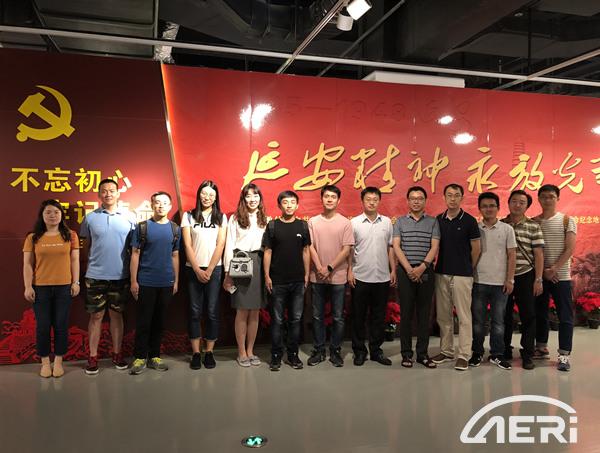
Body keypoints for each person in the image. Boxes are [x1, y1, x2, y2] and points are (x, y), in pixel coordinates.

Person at [79, 178, 136, 375]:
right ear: (99, 194)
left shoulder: (130, 217)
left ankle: (117, 354)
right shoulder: (90, 218)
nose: (108, 194)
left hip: (121, 275)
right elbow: (85, 246)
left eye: (112, 190)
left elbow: (134, 249)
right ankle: (92, 357)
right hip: (95, 275)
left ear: (118, 193)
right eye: (104, 191)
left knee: (116, 315)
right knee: (95, 316)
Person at [23, 199, 80, 378]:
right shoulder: (33, 237)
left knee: (61, 325)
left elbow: (75, 260)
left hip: (64, 287)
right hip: (41, 288)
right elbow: (27, 264)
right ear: (42, 215)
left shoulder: (70, 235)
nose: (52, 215)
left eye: (56, 212)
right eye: (48, 212)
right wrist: (27, 286)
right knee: (43, 326)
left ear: (61, 215)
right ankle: (45, 363)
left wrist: (76, 282)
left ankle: (58, 362)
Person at [129, 191, 180, 375]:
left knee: (160, 321)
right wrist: (133, 281)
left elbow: (175, 255)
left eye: (164, 203)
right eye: (157, 202)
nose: (160, 206)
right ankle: (140, 357)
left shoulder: (175, 229)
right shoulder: (142, 227)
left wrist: (176, 280)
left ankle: (155, 356)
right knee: (144, 321)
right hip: (146, 281)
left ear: (170, 206)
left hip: (166, 282)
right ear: (152, 205)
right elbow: (135, 254)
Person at [431, 183, 481, 371]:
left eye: (456, 195)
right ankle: (446, 351)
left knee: (464, 316)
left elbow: (476, 249)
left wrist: (468, 267)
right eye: (449, 195)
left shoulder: (469, 221)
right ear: (444, 197)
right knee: (443, 315)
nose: (453, 199)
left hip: (463, 275)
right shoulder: (438, 220)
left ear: (462, 198)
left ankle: (464, 355)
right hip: (441, 272)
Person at [263, 190, 311, 371]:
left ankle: (293, 355)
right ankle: (276, 356)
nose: (289, 205)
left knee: (295, 319)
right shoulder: (273, 226)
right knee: (277, 321)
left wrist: (306, 274)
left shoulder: (303, 226)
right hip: (277, 281)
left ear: (297, 205)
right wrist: (267, 275)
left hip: (298, 281)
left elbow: (306, 251)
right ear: (279, 205)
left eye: (292, 202)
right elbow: (268, 251)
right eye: (285, 202)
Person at [181, 181, 227, 370]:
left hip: (214, 270)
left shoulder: (221, 217)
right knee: (194, 311)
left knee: (212, 310)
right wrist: (197, 269)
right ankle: (196, 353)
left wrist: (209, 270)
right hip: (193, 269)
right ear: (199, 194)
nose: (207, 197)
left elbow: (220, 244)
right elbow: (187, 245)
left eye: (211, 195)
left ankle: (209, 352)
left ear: (216, 198)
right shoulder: (188, 216)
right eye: (204, 193)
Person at [392, 186, 439, 369]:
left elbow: (434, 247)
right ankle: (406, 354)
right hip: (405, 272)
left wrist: (421, 268)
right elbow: (396, 246)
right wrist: (409, 269)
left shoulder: (433, 222)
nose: (416, 201)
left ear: (425, 201)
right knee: (406, 314)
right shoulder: (400, 222)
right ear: (408, 201)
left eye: (420, 198)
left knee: (424, 314)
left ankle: (422, 354)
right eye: (413, 198)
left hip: (425, 270)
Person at [307, 185, 354, 367]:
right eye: (326, 196)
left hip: (338, 276)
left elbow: (347, 249)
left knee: (338, 317)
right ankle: (319, 350)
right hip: (317, 275)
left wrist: (329, 267)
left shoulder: (345, 223)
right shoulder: (313, 222)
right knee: (317, 316)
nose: (329, 199)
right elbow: (310, 246)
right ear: (322, 199)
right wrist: (320, 267)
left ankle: (335, 351)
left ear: (338, 200)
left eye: (333, 197)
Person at [349, 187, 396, 367]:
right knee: (358, 317)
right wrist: (349, 271)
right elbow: (350, 249)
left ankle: (376, 350)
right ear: (362, 201)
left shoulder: (387, 222)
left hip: (382, 277)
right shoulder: (354, 223)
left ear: (379, 201)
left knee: (378, 317)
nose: (372, 202)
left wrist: (393, 270)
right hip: (360, 276)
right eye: (368, 199)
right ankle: (359, 351)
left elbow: (390, 248)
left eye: (375, 199)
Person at [223, 183, 268, 367]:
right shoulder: (235, 218)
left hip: (259, 262)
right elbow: (229, 245)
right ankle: (241, 352)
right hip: (240, 262)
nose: (252, 199)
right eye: (248, 196)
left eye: (255, 196)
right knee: (242, 310)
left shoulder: (265, 218)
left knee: (255, 311)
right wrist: (228, 272)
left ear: (260, 198)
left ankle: (251, 351)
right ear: (243, 199)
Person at [470, 192, 516, 371]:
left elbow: (512, 255)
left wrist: (509, 279)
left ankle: (497, 354)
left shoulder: (507, 229)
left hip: (500, 283)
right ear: (479, 209)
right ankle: (477, 353)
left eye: (492, 206)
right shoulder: (475, 228)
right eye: (484, 206)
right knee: (478, 322)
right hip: (478, 281)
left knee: (498, 322)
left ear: (498, 208)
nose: (488, 209)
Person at [533, 184, 577, 372]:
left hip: (561, 276)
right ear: (539, 199)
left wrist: (554, 269)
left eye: (551, 196)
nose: (547, 200)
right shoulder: (534, 222)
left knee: (565, 316)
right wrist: (543, 272)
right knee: (540, 313)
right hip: (540, 276)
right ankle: (541, 347)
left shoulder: (567, 220)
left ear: (557, 198)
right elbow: (532, 251)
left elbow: (570, 248)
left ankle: (564, 355)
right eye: (543, 196)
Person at [502, 190, 544, 370]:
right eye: (514, 201)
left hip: (526, 275)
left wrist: (538, 279)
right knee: (504, 315)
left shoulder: (533, 226)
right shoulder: (501, 224)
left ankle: (527, 353)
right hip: (504, 277)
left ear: (527, 206)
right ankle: (504, 349)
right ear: (508, 203)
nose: (517, 205)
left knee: (528, 315)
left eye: (522, 202)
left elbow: (539, 254)